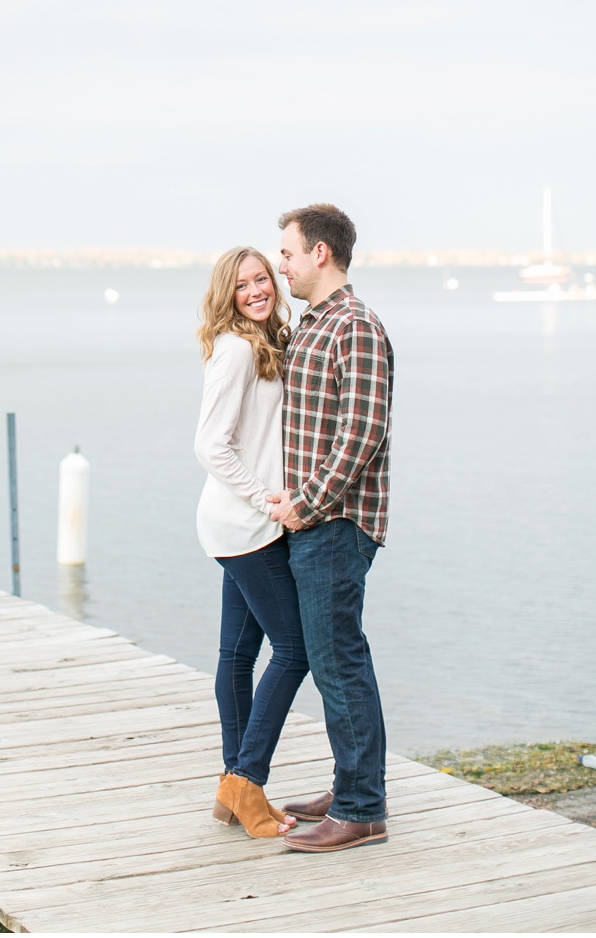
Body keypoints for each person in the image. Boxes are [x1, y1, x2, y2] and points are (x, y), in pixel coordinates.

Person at [265, 203, 394, 853]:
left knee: (339, 662)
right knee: (332, 658)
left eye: (286, 253)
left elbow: (362, 434)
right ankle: (350, 787)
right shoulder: (314, 324)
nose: (280, 264)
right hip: (313, 518)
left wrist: (306, 502)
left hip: (337, 522)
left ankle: (363, 809)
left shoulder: (357, 327)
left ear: (320, 253)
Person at [193, 247, 305, 839]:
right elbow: (211, 446)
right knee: (295, 649)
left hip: (236, 525)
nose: (258, 290)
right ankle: (247, 780)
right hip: (244, 526)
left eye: (263, 278)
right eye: (244, 285)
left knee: (237, 656)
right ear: (227, 294)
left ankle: (232, 787)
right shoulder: (236, 351)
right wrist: (268, 499)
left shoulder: (263, 341)